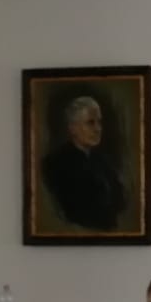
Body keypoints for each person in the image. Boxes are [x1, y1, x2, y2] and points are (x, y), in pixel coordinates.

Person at [41, 94, 127, 231]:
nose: (98, 129)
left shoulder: (104, 162)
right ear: (73, 128)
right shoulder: (55, 163)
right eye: (90, 123)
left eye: (99, 122)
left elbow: (121, 201)